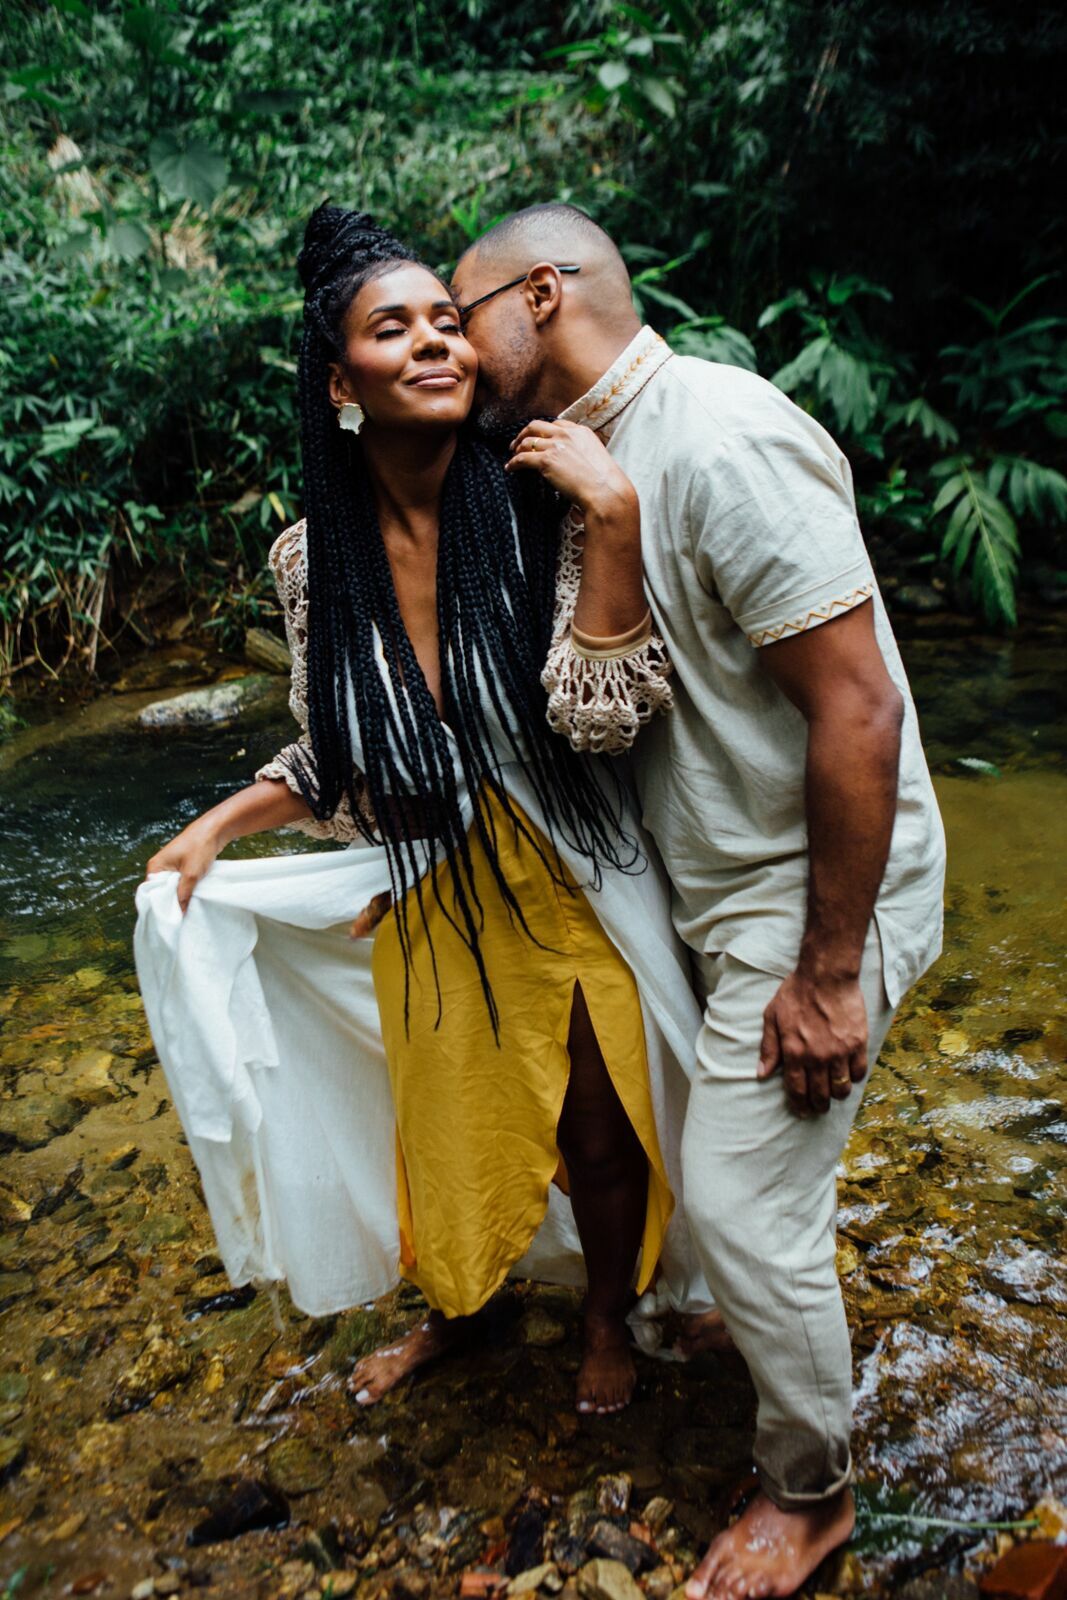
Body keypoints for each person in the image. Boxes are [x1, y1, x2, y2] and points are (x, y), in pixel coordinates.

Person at [134, 205, 716, 1419]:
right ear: (342, 382)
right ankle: (463, 1310)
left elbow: (606, 718)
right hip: (440, 880)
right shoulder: (313, 563)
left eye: (449, 322)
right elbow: (343, 753)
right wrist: (219, 827)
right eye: (392, 329)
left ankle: (606, 1314)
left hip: (576, 865)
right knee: (446, 1126)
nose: (436, 344)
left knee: (599, 1131)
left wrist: (610, 525)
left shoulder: (533, 496)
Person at [452, 204, 946, 1599]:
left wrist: (829, 973)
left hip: (809, 902)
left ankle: (810, 1494)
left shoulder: (719, 436)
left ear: (538, 296)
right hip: (718, 892)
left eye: (460, 306)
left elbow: (857, 709)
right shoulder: (583, 466)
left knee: (734, 1201)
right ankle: (767, 1331)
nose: (446, 335)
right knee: (742, 1182)